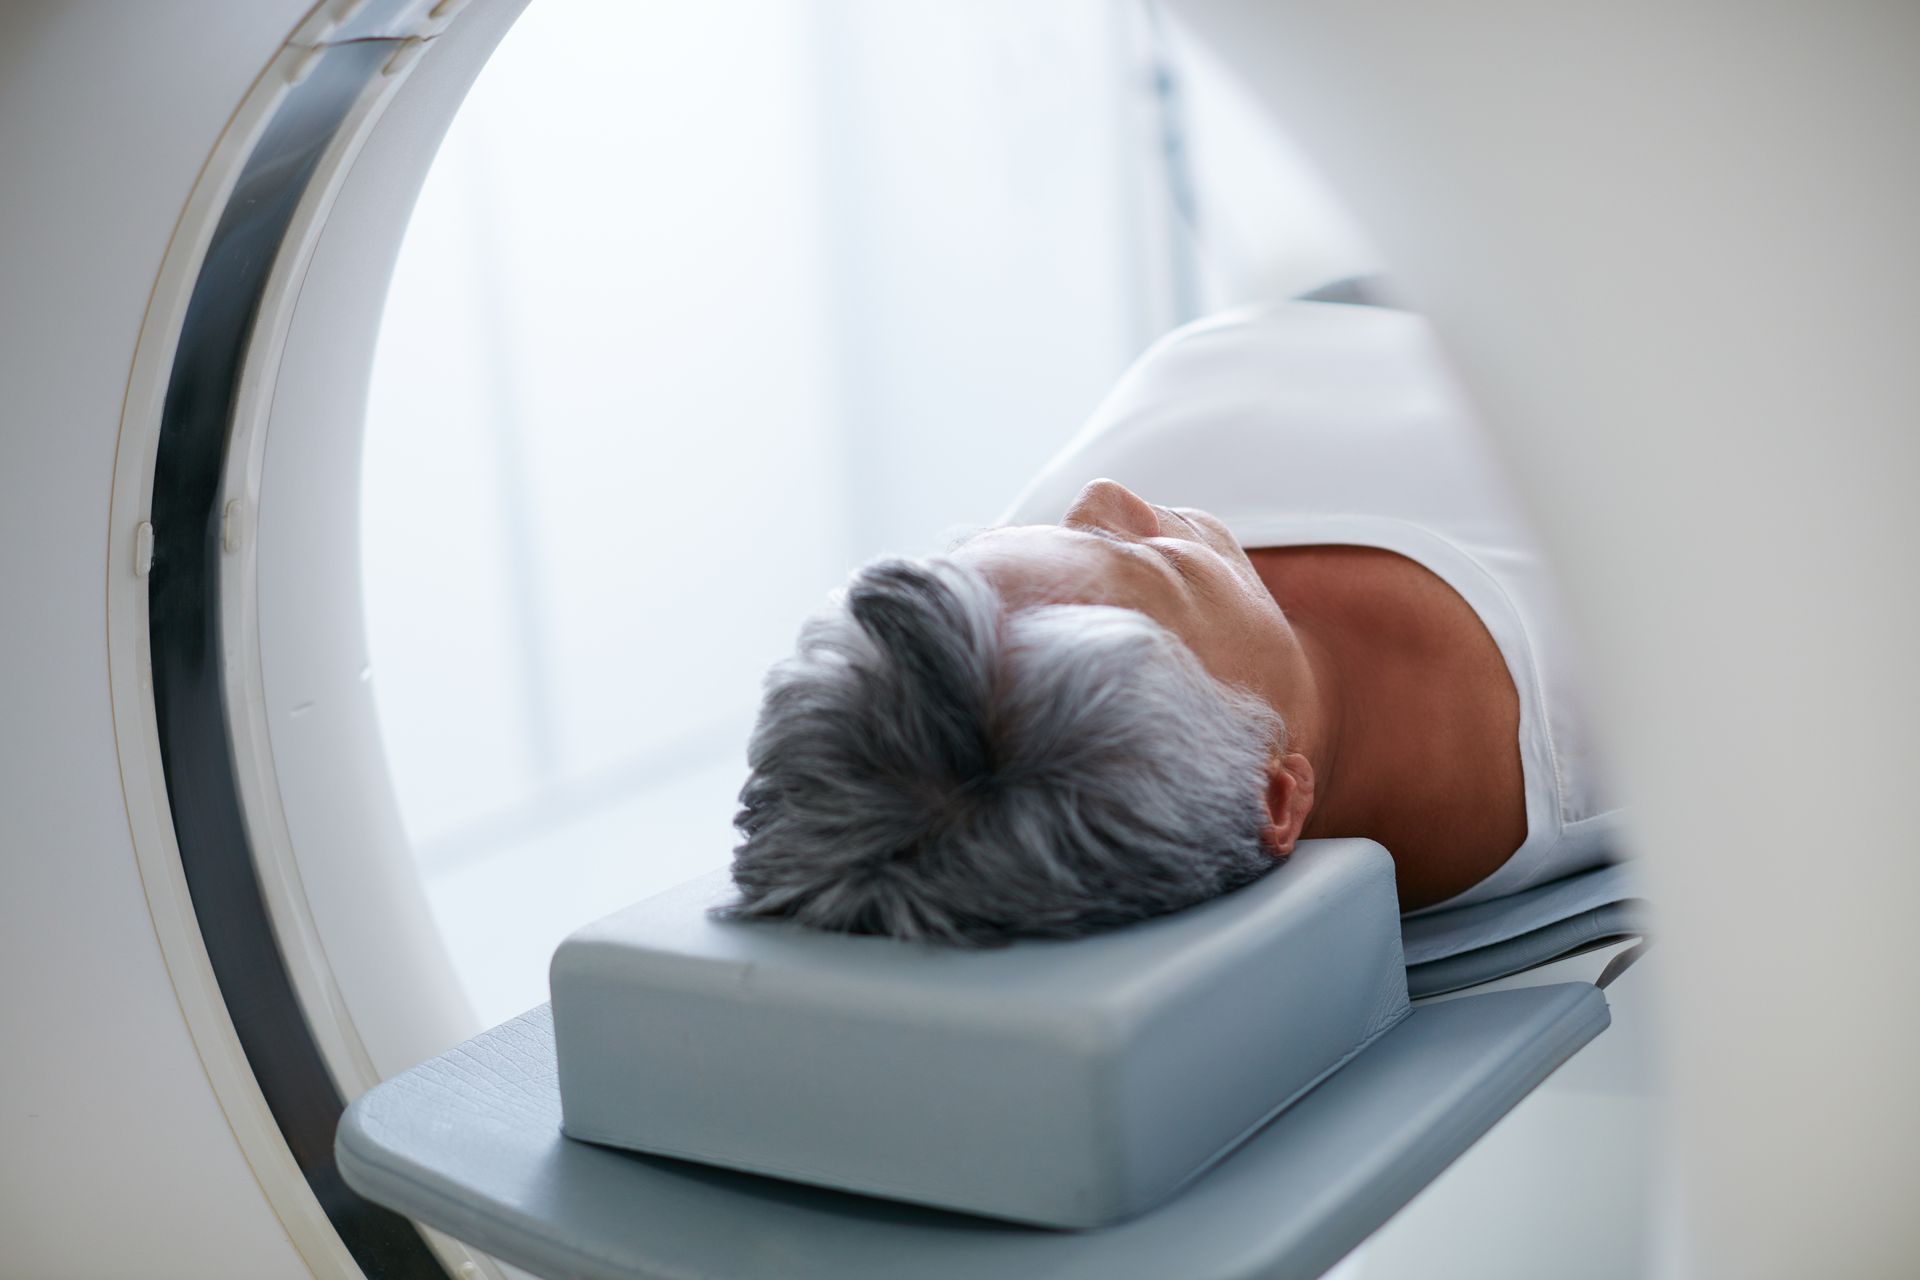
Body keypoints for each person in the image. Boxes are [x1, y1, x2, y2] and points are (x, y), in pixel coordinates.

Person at [728, 300, 1621, 944]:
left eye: (988, 542)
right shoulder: (1609, 706)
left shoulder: (1028, 638)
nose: (1110, 496)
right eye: (1156, 566)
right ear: (1274, 797)